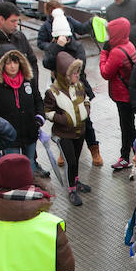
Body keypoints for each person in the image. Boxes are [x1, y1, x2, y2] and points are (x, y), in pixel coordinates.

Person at [41, 7, 102, 167]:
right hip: (59, 90)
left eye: (67, 36)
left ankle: (94, 148)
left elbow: (80, 69)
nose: (65, 39)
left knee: (85, 121)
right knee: (63, 122)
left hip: (78, 89)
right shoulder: (54, 46)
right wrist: (56, 47)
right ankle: (63, 150)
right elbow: (47, 63)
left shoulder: (77, 46)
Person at [0, 50, 45, 178]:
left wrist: (39, 119)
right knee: (14, 168)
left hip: (30, 131)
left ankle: (30, 190)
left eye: (15, 62)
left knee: (30, 165)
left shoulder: (29, 79)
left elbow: (38, 101)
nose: (12, 66)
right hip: (9, 136)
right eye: (8, 63)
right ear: (2, 64)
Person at [45, 50, 91, 205]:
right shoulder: (52, 92)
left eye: (78, 72)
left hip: (80, 130)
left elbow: (87, 99)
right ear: (65, 74)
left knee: (76, 160)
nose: (77, 76)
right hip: (64, 134)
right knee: (70, 162)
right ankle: (71, 189)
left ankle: (76, 181)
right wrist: (63, 119)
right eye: (74, 73)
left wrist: (86, 110)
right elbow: (47, 112)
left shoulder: (79, 86)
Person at [100, 17, 136, 171]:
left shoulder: (116, 52)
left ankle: (128, 157)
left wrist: (104, 53)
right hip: (130, 93)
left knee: (127, 127)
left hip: (123, 96)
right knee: (130, 126)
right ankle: (133, 155)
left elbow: (105, 73)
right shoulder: (129, 45)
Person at [0, 2, 39, 89]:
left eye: (17, 21)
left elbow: (32, 62)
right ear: (1, 19)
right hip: (2, 95)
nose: (16, 25)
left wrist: (32, 84)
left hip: (25, 91)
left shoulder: (20, 37)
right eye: (12, 21)